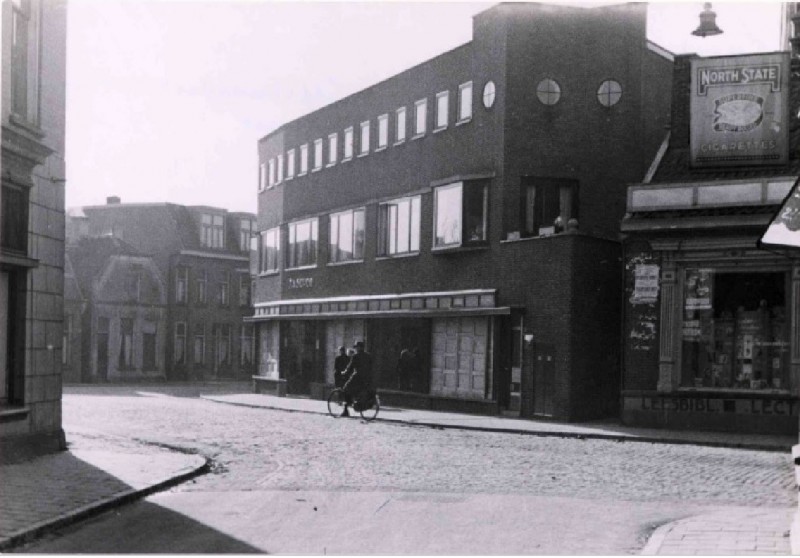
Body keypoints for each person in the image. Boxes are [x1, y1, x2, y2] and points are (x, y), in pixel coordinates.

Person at [341, 340, 373, 416]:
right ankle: (355, 402)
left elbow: (350, 367)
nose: (356, 349)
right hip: (366, 378)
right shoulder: (368, 356)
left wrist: (344, 372)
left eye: (356, 347)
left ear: (359, 348)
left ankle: (346, 410)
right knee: (357, 390)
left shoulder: (356, 356)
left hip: (357, 377)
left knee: (345, 389)